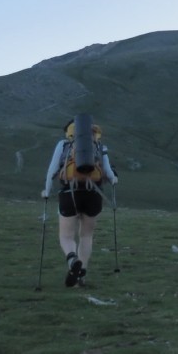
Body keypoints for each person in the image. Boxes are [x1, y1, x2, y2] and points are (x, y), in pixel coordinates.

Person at [42, 118, 118, 287]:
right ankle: (81, 276)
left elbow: (52, 171)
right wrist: (114, 179)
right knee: (86, 236)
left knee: (66, 235)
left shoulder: (64, 145)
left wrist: (46, 192)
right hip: (93, 195)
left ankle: (71, 260)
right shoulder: (99, 146)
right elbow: (109, 173)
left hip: (70, 193)